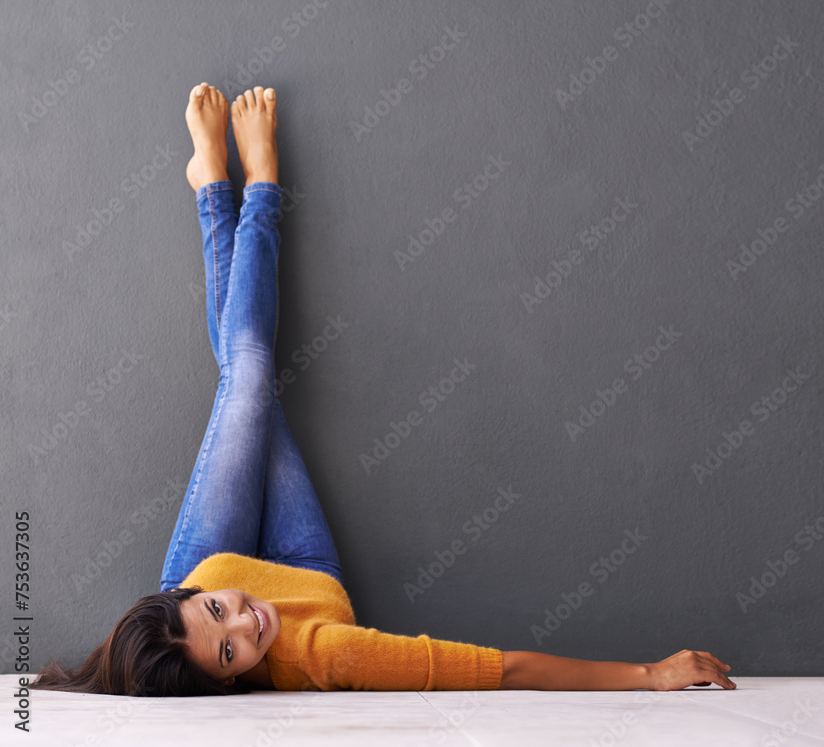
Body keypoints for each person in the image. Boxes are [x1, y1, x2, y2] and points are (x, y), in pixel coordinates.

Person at [31, 85, 737, 697]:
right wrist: (648, 675)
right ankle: (238, 191)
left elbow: (209, 616)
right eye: (230, 651)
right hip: (310, 575)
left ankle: (230, 190)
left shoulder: (201, 585)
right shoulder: (330, 655)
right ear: (231, 679)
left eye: (219, 613)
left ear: (195, 598)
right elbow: (497, 670)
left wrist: (203, 598)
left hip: (209, 557)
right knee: (247, 378)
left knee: (245, 376)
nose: (249, 621)